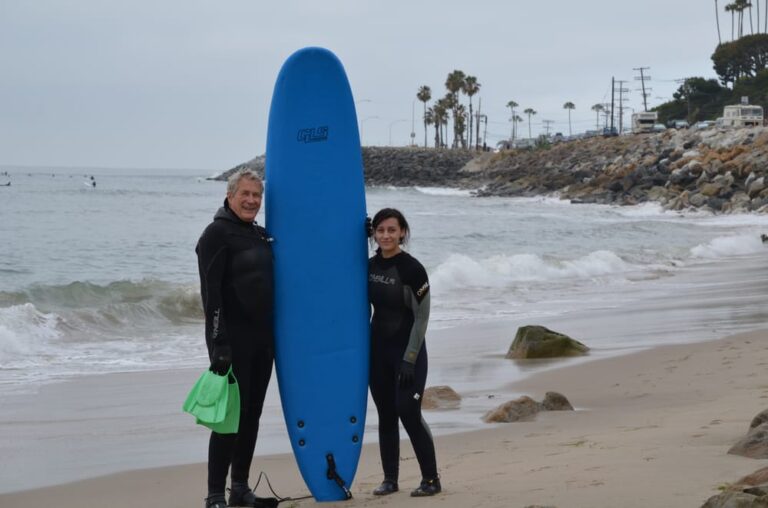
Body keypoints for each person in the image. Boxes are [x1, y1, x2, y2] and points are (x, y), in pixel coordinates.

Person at [196, 169, 275, 508]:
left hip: (263, 339)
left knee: (252, 414)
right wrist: (219, 344)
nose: (251, 201)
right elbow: (210, 295)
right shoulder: (216, 234)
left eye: (257, 196)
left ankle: (239, 488)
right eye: (245, 194)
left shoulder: (259, 235)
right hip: (233, 341)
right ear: (229, 196)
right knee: (229, 418)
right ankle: (215, 495)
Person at [367, 208, 441, 497]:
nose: (386, 235)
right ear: (373, 233)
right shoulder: (369, 266)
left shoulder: (412, 269)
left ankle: (431, 480)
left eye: (391, 230)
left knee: (408, 412)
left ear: (402, 232)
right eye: (380, 230)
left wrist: (409, 359)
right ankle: (390, 479)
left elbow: (422, 318)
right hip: (378, 352)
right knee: (386, 415)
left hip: (407, 352)